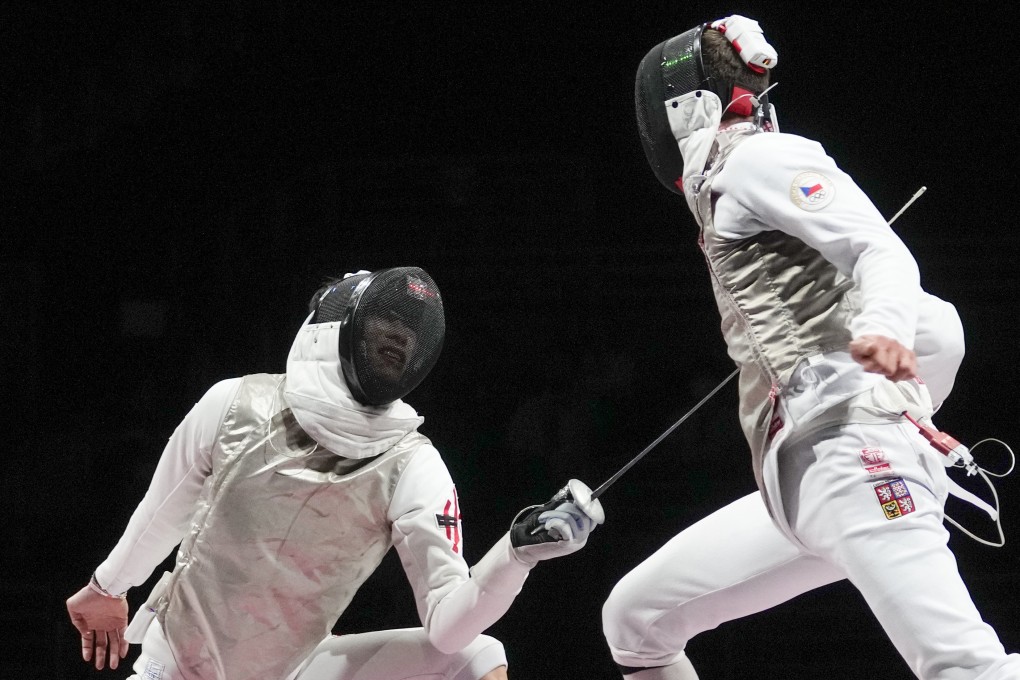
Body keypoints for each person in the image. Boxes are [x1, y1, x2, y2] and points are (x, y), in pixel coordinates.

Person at [602, 16, 1020, 680]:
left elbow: (878, 251)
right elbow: (941, 332)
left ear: (680, 108)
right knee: (635, 619)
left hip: (854, 463)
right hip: (799, 487)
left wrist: (881, 338)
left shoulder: (758, 159)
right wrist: (908, 393)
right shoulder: (724, 184)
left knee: (966, 671)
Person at [67, 266, 605, 680]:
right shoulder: (236, 404)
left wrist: (516, 555)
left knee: (478, 655)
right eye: (384, 328)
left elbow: (448, 627)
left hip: (293, 671)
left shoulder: (412, 463)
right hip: (177, 670)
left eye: (404, 339)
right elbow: (165, 510)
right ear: (334, 328)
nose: (396, 342)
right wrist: (109, 585)